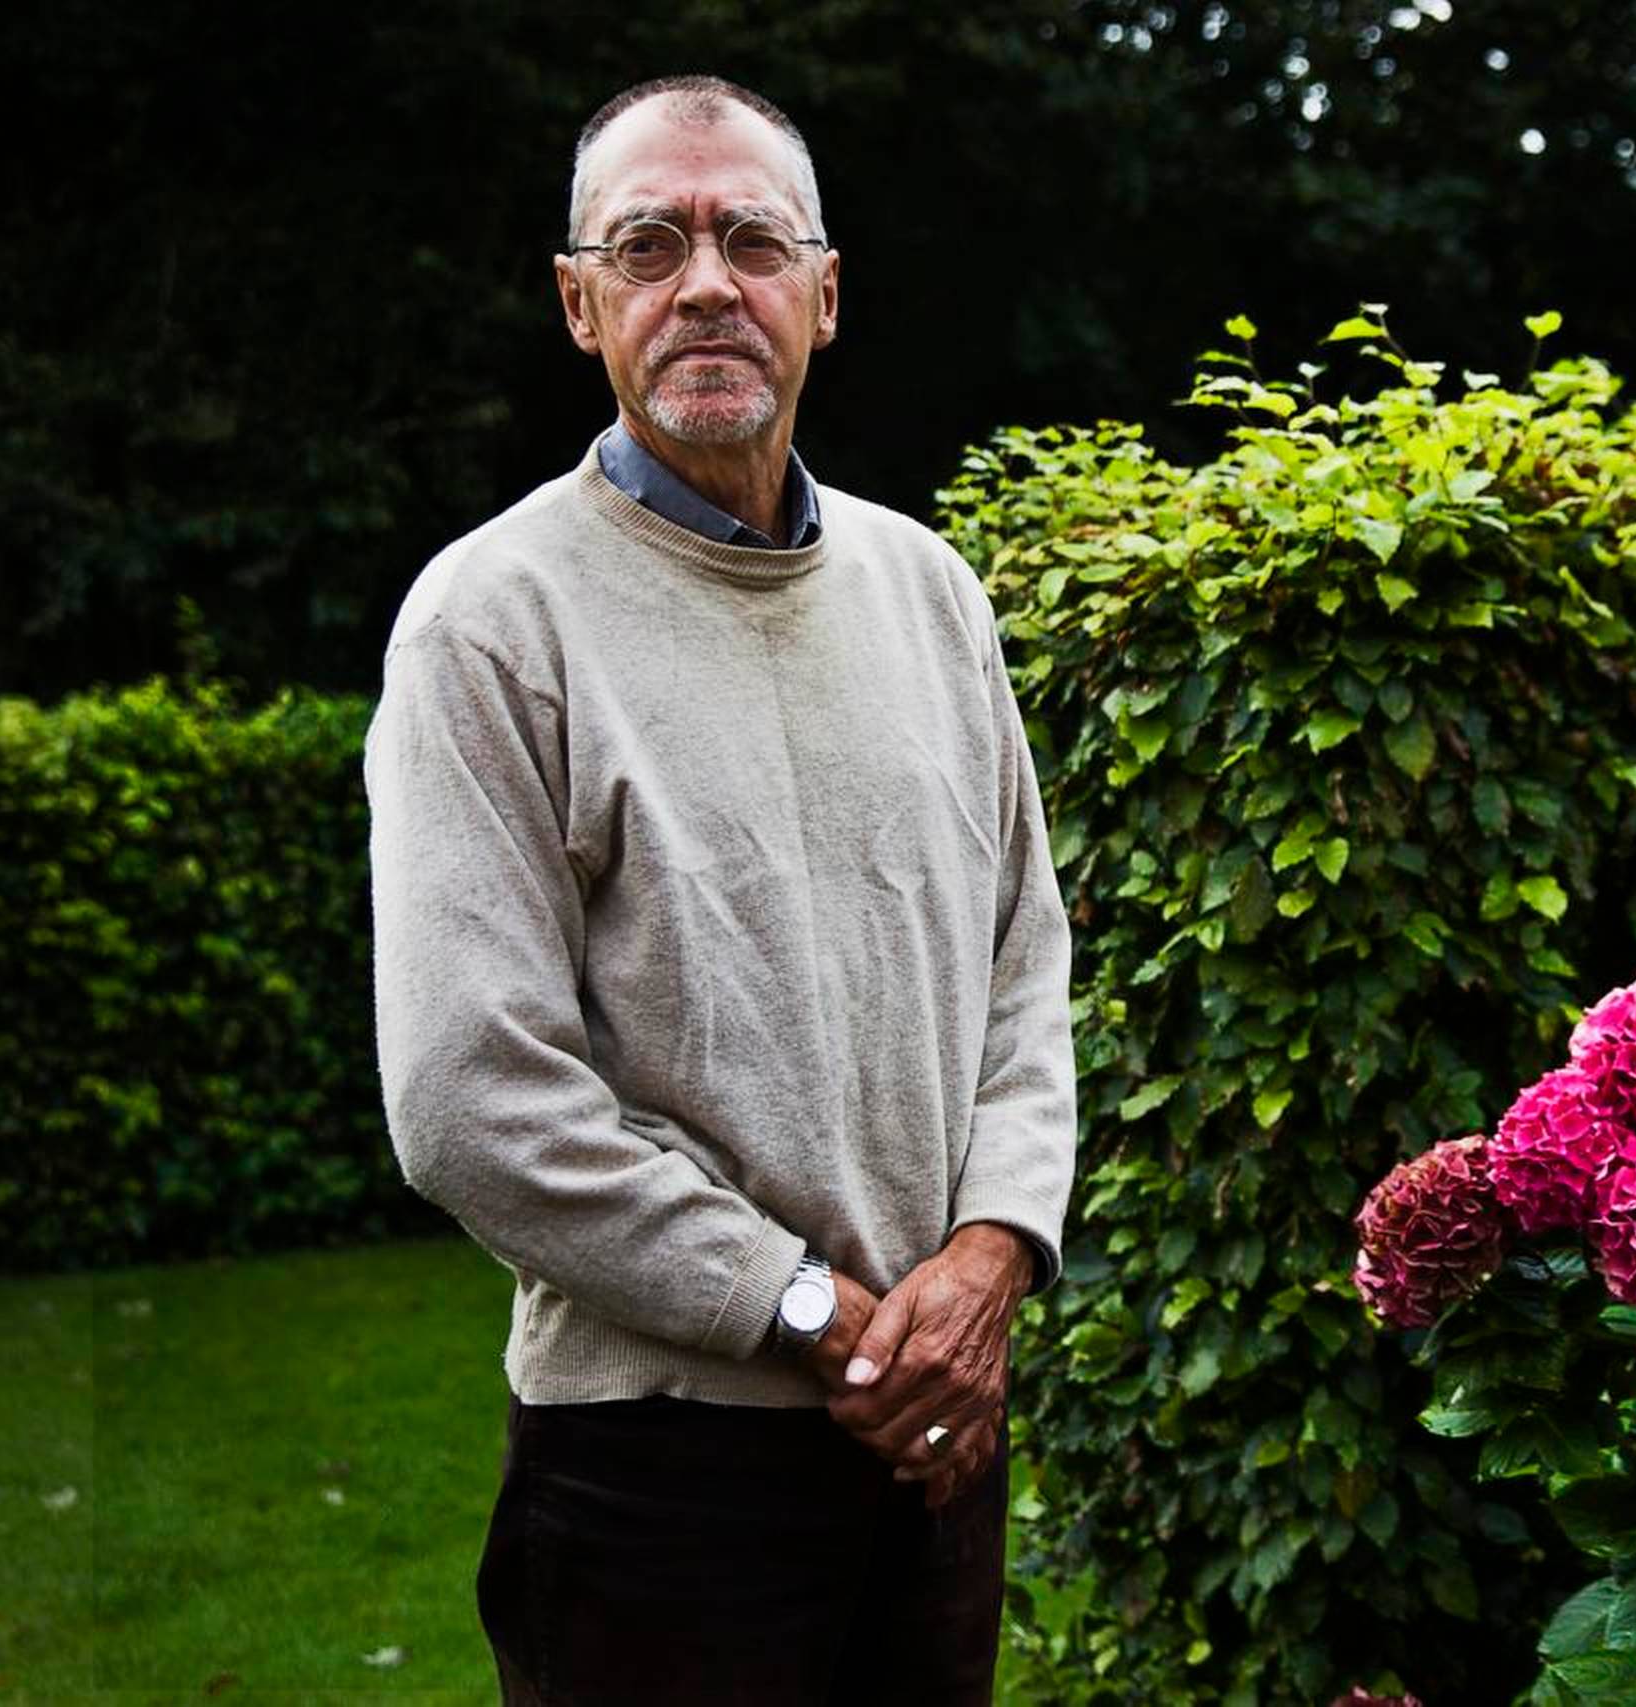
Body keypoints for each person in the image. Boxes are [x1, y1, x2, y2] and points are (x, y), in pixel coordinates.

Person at [363, 74, 1076, 1705]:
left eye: (753, 238)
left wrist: (991, 1257)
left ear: (823, 294)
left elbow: (1023, 965)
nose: (706, 281)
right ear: (579, 301)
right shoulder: (490, 620)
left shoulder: (929, 591)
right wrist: (817, 1312)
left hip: (934, 1438)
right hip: (657, 1469)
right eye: (650, 243)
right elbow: (471, 1098)